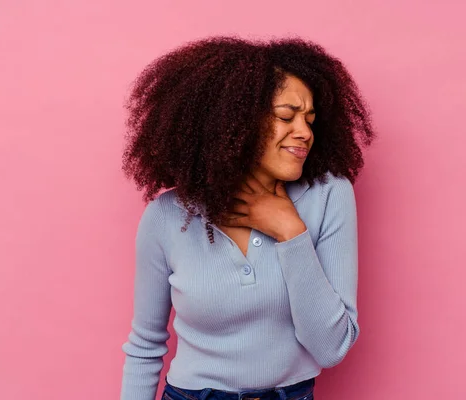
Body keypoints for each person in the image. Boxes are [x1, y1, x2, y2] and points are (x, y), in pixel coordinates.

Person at [120, 36, 374, 400]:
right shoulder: (168, 217)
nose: (305, 132)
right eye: (287, 116)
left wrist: (290, 231)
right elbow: (145, 346)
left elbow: (331, 347)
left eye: (310, 119)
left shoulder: (329, 195)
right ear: (234, 122)